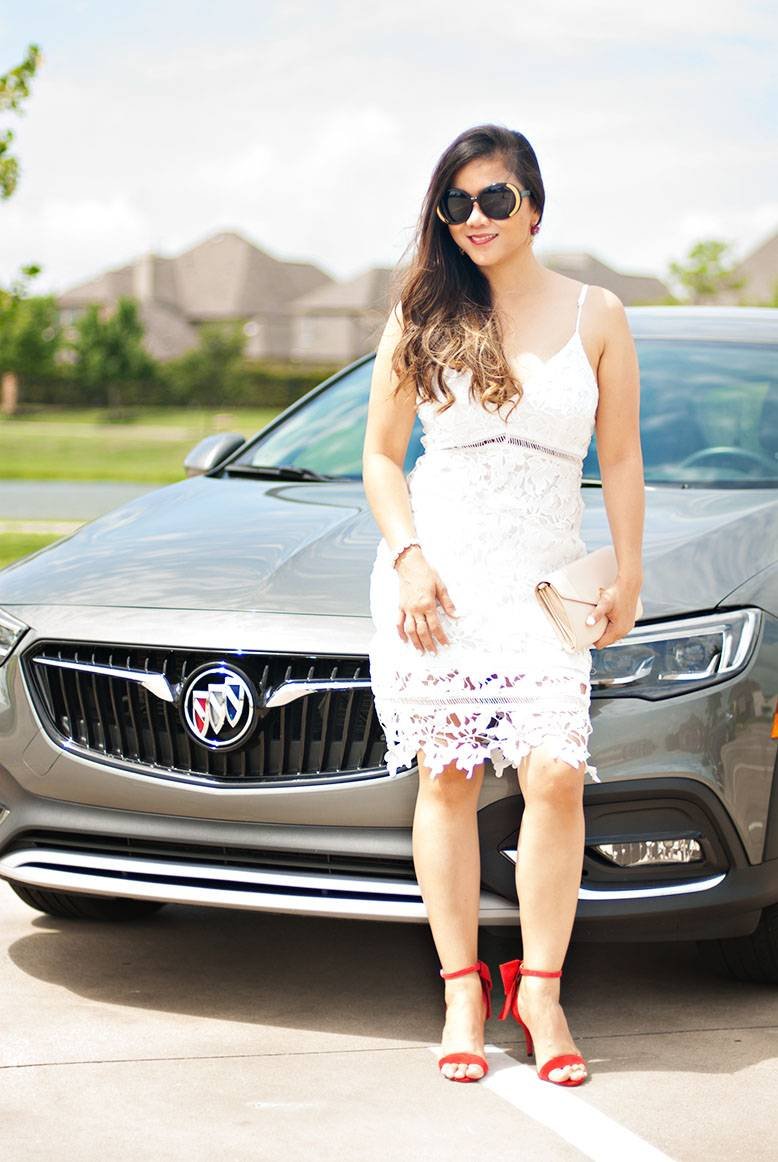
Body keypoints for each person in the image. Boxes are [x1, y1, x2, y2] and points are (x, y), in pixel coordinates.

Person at [361, 123, 644, 1087]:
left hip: (543, 582)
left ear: (533, 205)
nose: (475, 218)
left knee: (556, 775)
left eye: (494, 199)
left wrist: (630, 577)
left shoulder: (597, 312)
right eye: (456, 203)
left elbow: (624, 457)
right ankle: (461, 990)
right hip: (439, 578)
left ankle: (543, 989)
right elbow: (380, 456)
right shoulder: (420, 313)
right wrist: (406, 559)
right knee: (447, 778)